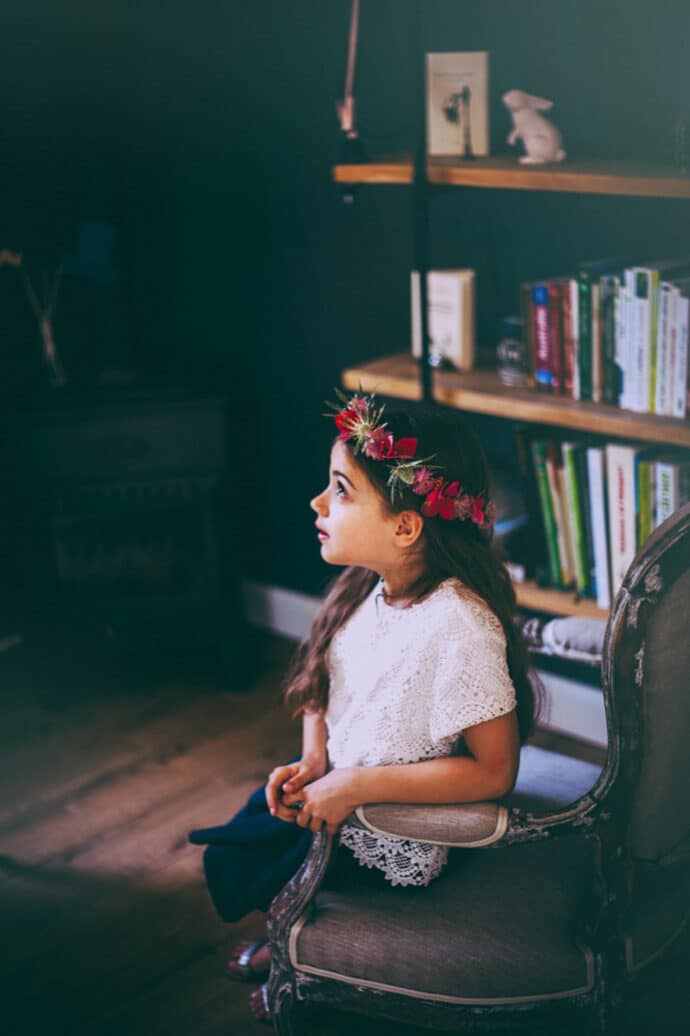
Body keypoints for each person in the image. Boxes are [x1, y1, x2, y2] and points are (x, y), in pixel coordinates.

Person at [189, 389, 538, 1022]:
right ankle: (291, 936)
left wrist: (354, 785)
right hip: (340, 786)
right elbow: (325, 678)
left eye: (342, 490)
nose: (318, 503)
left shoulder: (459, 626)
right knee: (241, 839)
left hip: (391, 826)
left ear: (407, 526)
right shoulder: (366, 588)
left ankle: (304, 952)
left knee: (261, 858)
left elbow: (494, 773)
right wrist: (314, 755)